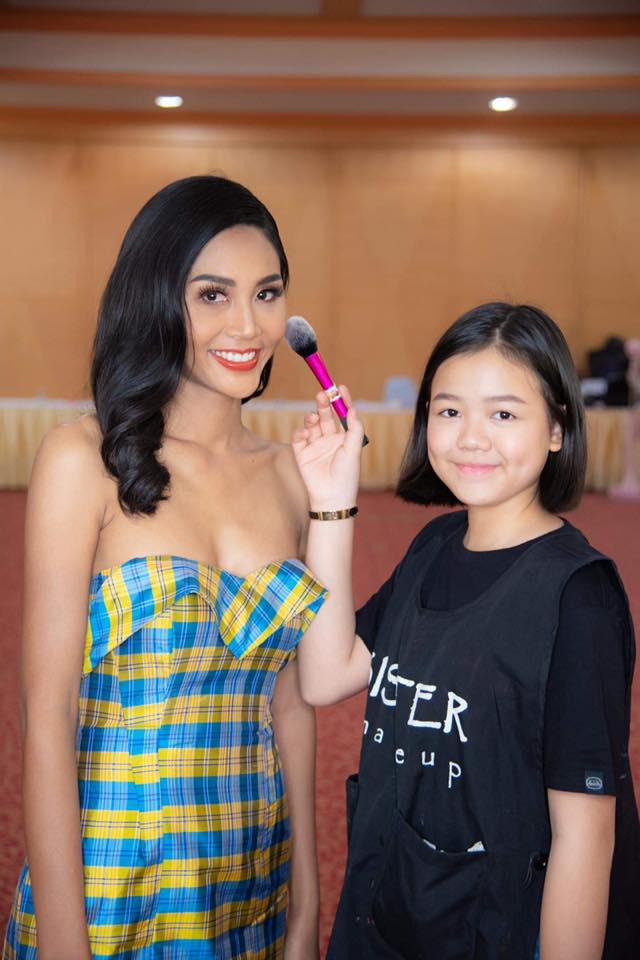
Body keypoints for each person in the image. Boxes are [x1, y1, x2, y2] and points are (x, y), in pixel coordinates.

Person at [3, 175, 326, 960]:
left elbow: (291, 708)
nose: (247, 324)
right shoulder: (84, 459)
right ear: (155, 300)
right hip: (114, 887)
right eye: (212, 295)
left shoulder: (291, 477)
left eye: (267, 293)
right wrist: (67, 942)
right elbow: (46, 715)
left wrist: (307, 905)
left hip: (250, 882)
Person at [291, 302, 640, 959]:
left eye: (504, 415)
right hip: (395, 913)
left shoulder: (577, 598)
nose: (470, 438)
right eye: (449, 411)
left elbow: (586, 837)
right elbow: (325, 675)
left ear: (558, 428)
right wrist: (331, 501)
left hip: (498, 928)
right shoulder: (435, 546)